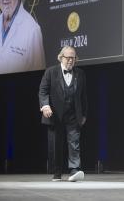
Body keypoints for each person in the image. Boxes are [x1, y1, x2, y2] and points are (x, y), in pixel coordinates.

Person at [39, 46, 88, 181]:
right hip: (54, 114)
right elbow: (43, 91)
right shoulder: (51, 72)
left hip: (73, 115)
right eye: (68, 57)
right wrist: (45, 105)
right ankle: (57, 172)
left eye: (73, 58)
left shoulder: (80, 73)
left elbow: (83, 97)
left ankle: (74, 170)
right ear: (61, 57)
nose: (71, 60)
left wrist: (84, 114)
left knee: (74, 142)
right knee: (56, 144)